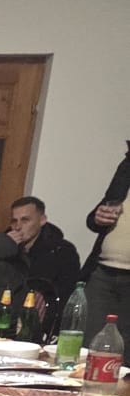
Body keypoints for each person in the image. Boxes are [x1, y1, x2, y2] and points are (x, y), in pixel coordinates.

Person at [82, 140, 130, 338]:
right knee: (88, 344)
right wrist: (98, 217)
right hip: (102, 273)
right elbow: (97, 216)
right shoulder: (127, 165)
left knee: (124, 349)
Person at [7, 196, 82, 312]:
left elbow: (66, 293)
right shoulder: (4, 245)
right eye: (14, 221)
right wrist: (4, 248)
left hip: (43, 313)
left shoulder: (61, 251)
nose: (18, 227)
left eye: (25, 220)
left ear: (42, 220)